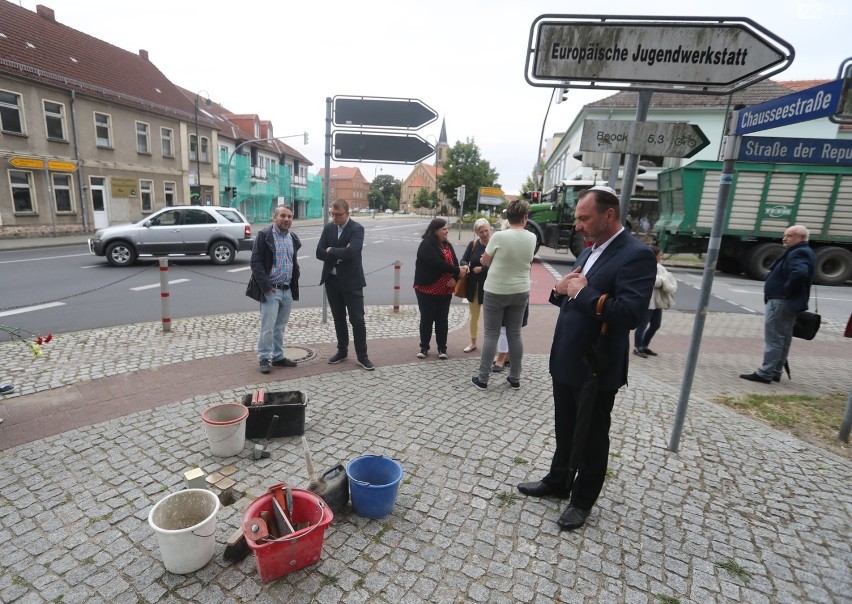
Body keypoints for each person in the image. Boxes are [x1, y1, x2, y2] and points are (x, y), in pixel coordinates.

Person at [517, 186, 655, 531]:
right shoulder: (591, 250)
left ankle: (582, 500)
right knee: (565, 427)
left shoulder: (636, 254)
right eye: (578, 217)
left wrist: (583, 292)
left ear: (608, 216)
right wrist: (559, 290)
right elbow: (572, 298)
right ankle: (558, 481)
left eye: (584, 217)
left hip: (597, 365)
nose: (578, 224)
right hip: (567, 358)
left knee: (592, 436)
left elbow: (630, 314)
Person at [471, 199, 536, 390]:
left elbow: (486, 260)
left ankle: (483, 379)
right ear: (524, 218)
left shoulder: (499, 237)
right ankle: (515, 377)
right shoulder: (532, 237)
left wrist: (487, 259)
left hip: (496, 289)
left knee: (491, 334)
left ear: (508, 217)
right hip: (520, 289)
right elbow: (527, 259)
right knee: (515, 334)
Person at [740, 225, 816, 384]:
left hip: (781, 301)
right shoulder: (801, 251)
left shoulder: (799, 252)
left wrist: (785, 290)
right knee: (783, 337)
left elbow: (800, 273)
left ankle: (765, 373)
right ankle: (775, 371)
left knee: (774, 338)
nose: (784, 238)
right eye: (785, 235)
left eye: (789, 235)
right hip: (784, 301)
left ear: (801, 238)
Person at [316, 199, 374, 370]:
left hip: (352, 282)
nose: (334, 217)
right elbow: (319, 252)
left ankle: (362, 356)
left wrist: (331, 250)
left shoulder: (357, 228)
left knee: (357, 319)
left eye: (338, 215)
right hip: (332, 280)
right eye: (332, 214)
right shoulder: (328, 228)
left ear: (347, 214)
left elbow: (353, 251)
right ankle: (342, 351)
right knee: (338, 318)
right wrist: (338, 252)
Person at [250, 205, 301, 374]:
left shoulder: (292, 237)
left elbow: (292, 262)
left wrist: (294, 283)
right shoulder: (265, 236)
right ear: (275, 218)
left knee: (280, 326)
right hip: (272, 290)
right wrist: (265, 286)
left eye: (289, 217)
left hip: (287, 289)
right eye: (283, 216)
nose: (287, 219)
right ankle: (265, 357)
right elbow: (255, 263)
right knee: (268, 327)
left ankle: (278, 357)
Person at [413, 218, 469, 359]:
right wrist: (457, 271)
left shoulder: (447, 246)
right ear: (435, 230)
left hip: (444, 290)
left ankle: (442, 348)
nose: (447, 231)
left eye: (447, 228)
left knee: (442, 319)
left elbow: (454, 263)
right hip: (427, 289)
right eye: (444, 229)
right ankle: (424, 347)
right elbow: (437, 263)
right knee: (427, 319)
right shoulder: (426, 245)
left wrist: (454, 278)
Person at [633, 245, 677, 358]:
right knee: (642, 325)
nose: (661, 256)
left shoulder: (660, 267)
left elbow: (665, 280)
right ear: (654, 255)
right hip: (647, 301)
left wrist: (662, 279)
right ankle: (638, 348)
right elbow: (655, 281)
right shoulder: (645, 266)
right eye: (660, 254)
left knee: (656, 324)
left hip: (657, 302)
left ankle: (644, 345)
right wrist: (662, 279)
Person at [459, 218, 492, 353]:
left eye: (486, 230)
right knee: (474, 316)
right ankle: (473, 343)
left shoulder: (494, 245)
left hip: (491, 285)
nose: (484, 234)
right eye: (481, 232)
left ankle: (490, 344)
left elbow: (500, 265)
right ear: (476, 233)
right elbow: (463, 259)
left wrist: (482, 269)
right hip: (474, 285)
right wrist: (466, 265)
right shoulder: (473, 244)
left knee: (491, 317)